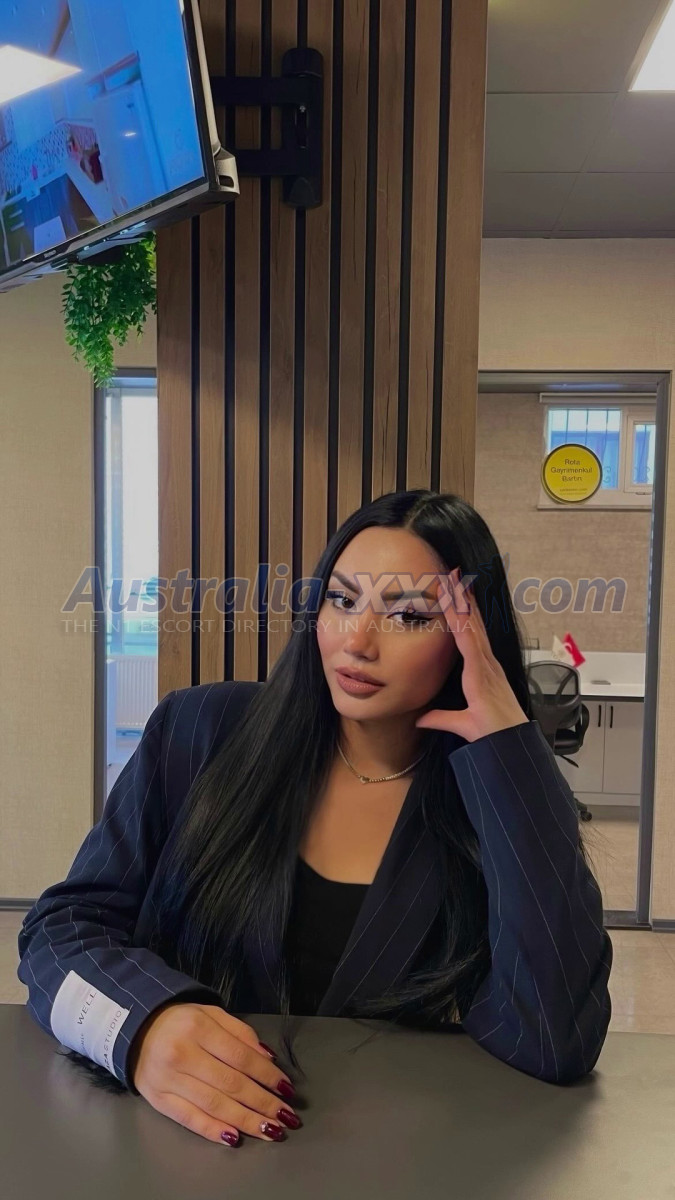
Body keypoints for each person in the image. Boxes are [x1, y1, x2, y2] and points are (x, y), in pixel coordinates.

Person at [17, 488, 613, 1149]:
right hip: (172, 1147)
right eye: (342, 600)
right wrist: (140, 1029)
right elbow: (60, 933)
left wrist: (510, 753)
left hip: (378, 1163)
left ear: (467, 640)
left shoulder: (490, 798)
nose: (357, 641)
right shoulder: (199, 731)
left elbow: (553, 1039)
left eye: (408, 616)